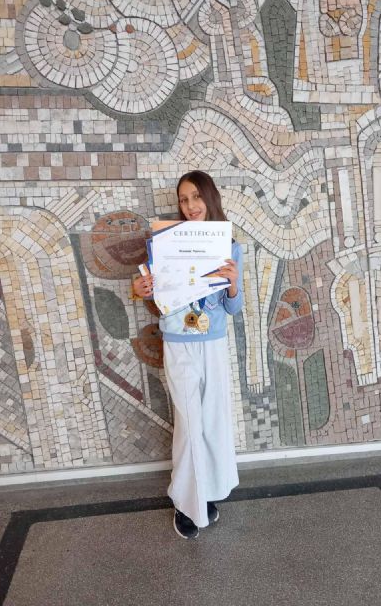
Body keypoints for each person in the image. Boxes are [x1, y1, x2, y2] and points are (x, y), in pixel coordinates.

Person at [133, 170, 243, 539]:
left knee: (212, 422)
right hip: (179, 343)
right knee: (189, 424)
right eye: (184, 199)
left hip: (213, 342)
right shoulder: (167, 243)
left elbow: (233, 308)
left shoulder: (230, 246)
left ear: (210, 198)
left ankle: (205, 492)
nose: (190, 205)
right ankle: (185, 503)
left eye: (196, 196)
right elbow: (158, 296)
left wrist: (233, 284)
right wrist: (141, 289)